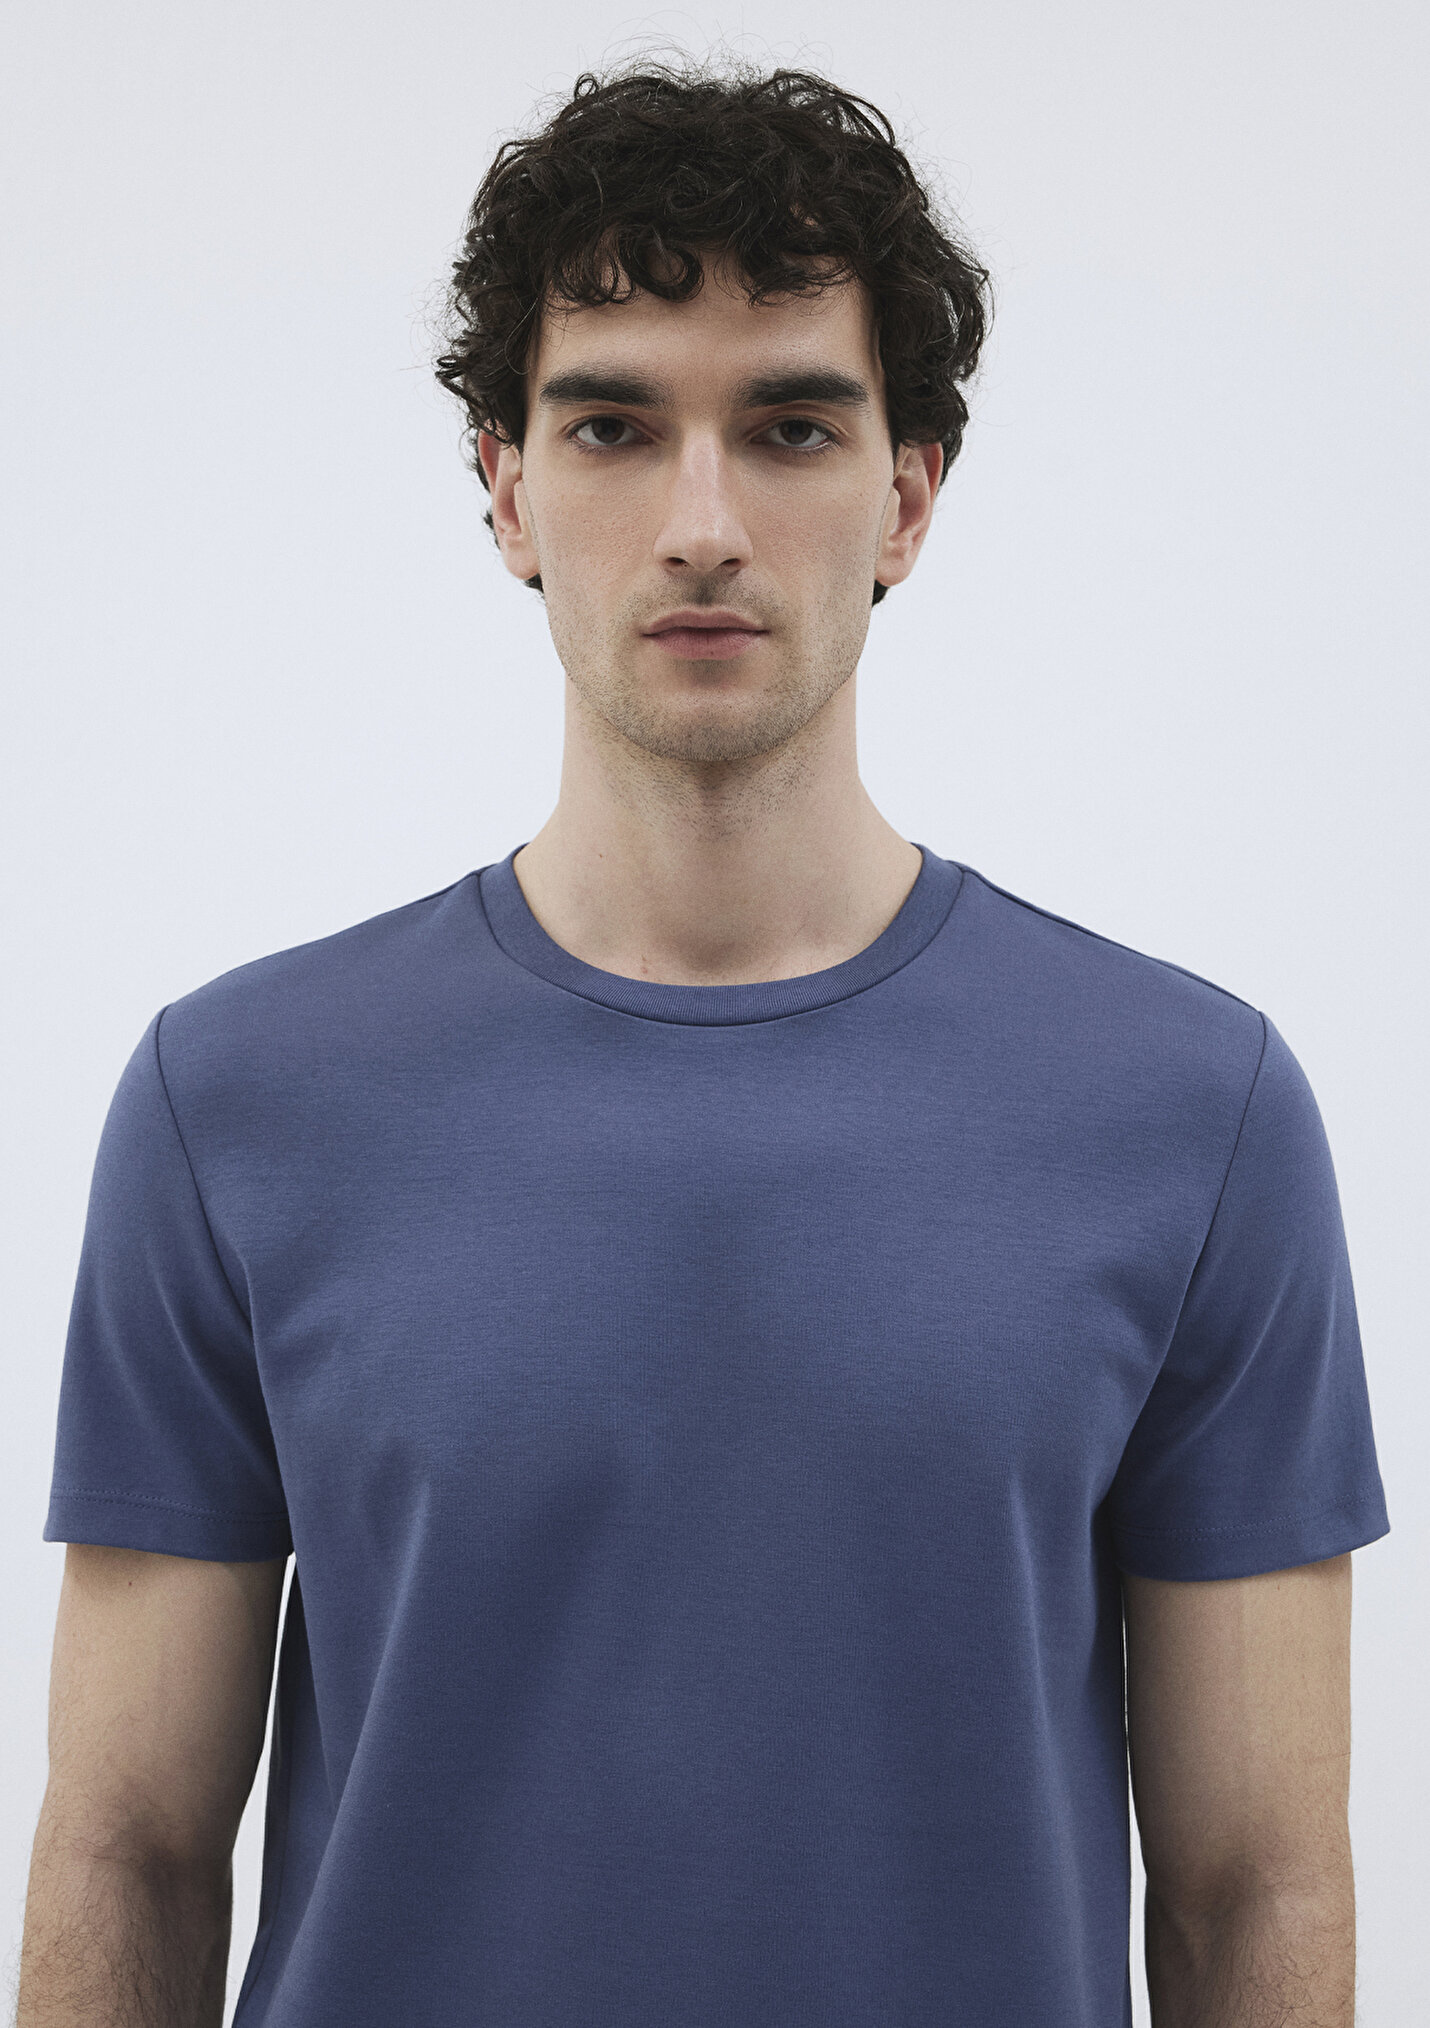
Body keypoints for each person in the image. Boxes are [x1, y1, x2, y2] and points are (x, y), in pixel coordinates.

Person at [20, 59, 1389, 2028]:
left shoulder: (1193, 1117)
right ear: (506, 489)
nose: (700, 523)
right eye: (611, 425)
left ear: (907, 496)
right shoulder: (231, 1105)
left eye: (790, 427)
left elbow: (1258, 1892)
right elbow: (126, 1852)